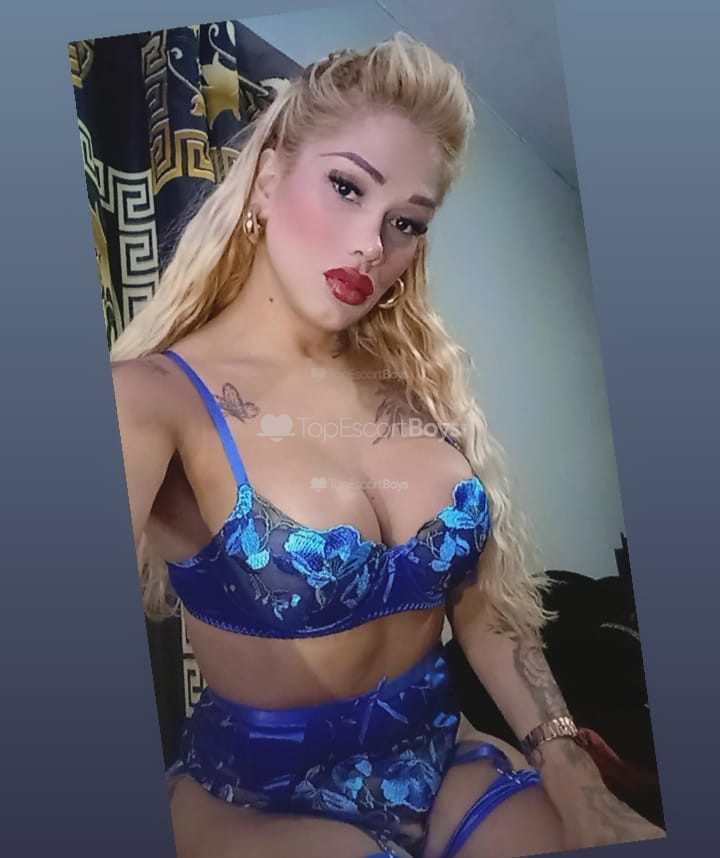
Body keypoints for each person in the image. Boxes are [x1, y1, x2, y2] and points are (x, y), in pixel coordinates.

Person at [109, 33, 664, 858]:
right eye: (346, 187)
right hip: (259, 803)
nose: (374, 244)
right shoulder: (153, 400)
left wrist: (573, 773)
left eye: (406, 222)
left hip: (444, 759)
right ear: (268, 178)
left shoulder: (419, 388)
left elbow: (479, 608)